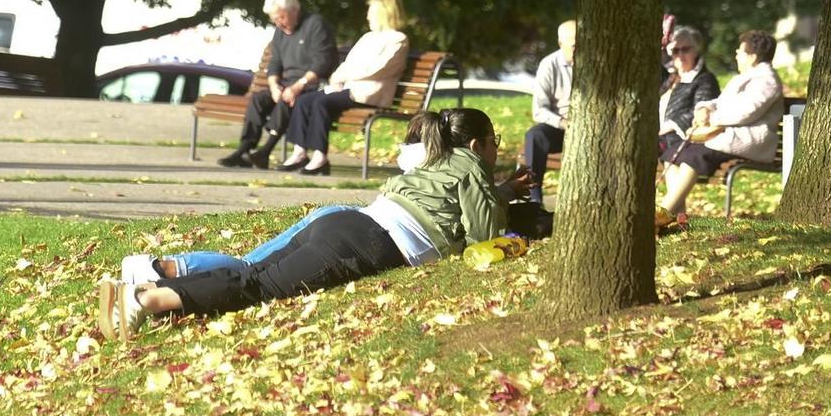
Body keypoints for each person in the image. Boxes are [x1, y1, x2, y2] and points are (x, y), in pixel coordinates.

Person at [101, 106, 521, 337]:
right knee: (258, 287)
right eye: (493, 143)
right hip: (369, 244)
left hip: (345, 222)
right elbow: (484, 241)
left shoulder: (438, 157)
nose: (494, 150)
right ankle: (144, 299)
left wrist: (499, 194)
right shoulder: (472, 165)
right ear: (475, 143)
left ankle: (151, 287)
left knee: (253, 271)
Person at [278, 0, 410, 176]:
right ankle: (300, 151)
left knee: (321, 103)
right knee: (304, 100)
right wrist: (337, 77)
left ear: (383, 13)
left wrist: (346, 76)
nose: (367, 16)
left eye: (371, 12)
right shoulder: (368, 37)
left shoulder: (398, 39)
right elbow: (348, 63)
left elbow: (379, 69)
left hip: (369, 93)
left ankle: (320, 157)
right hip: (349, 88)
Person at [658, 28, 785, 220]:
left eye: (740, 52)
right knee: (672, 155)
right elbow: (719, 101)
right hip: (728, 136)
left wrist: (712, 118)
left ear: (752, 56)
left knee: (695, 156)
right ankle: (677, 218)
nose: (736, 55)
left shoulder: (767, 80)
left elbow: (746, 112)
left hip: (747, 140)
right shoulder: (744, 77)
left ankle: (662, 214)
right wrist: (704, 108)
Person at [217, 0, 338, 169]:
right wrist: (274, 85)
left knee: (288, 100)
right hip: (286, 84)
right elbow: (275, 63)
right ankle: (244, 149)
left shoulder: (315, 25)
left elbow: (322, 63)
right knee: (258, 100)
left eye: (281, 17)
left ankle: (265, 151)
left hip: (311, 85)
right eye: (274, 19)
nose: (278, 23)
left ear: (294, 10)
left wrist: (298, 86)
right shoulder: (280, 32)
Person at [520, 20, 575, 204]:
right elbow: (539, 110)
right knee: (535, 136)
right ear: (561, 44)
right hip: (561, 126)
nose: (579, 52)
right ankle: (534, 198)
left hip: (592, 127)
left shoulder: (595, 63)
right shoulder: (549, 65)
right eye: (574, 47)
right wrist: (563, 123)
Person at [655, 24, 720, 161]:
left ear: (696, 51)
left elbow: (700, 112)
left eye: (685, 50)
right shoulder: (670, 78)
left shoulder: (705, 80)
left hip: (678, 140)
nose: (679, 55)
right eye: (675, 51)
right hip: (659, 137)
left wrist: (669, 126)